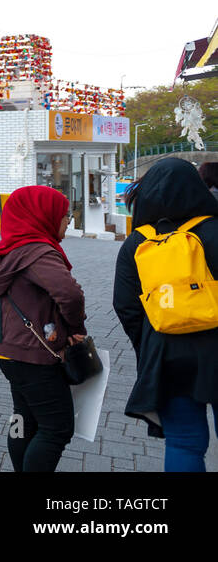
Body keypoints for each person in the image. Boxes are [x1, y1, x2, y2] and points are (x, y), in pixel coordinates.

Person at [113, 158, 218, 471]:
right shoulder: (214, 231)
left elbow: (126, 307)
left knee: (184, 442)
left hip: (167, 353)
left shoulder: (138, 243)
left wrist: (149, 343)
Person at [0, 185, 86, 472]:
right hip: (31, 353)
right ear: (45, 215)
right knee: (56, 427)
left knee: (22, 418)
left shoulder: (11, 248)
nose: (68, 221)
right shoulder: (39, 252)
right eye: (66, 215)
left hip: (7, 348)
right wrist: (76, 327)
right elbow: (70, 295)